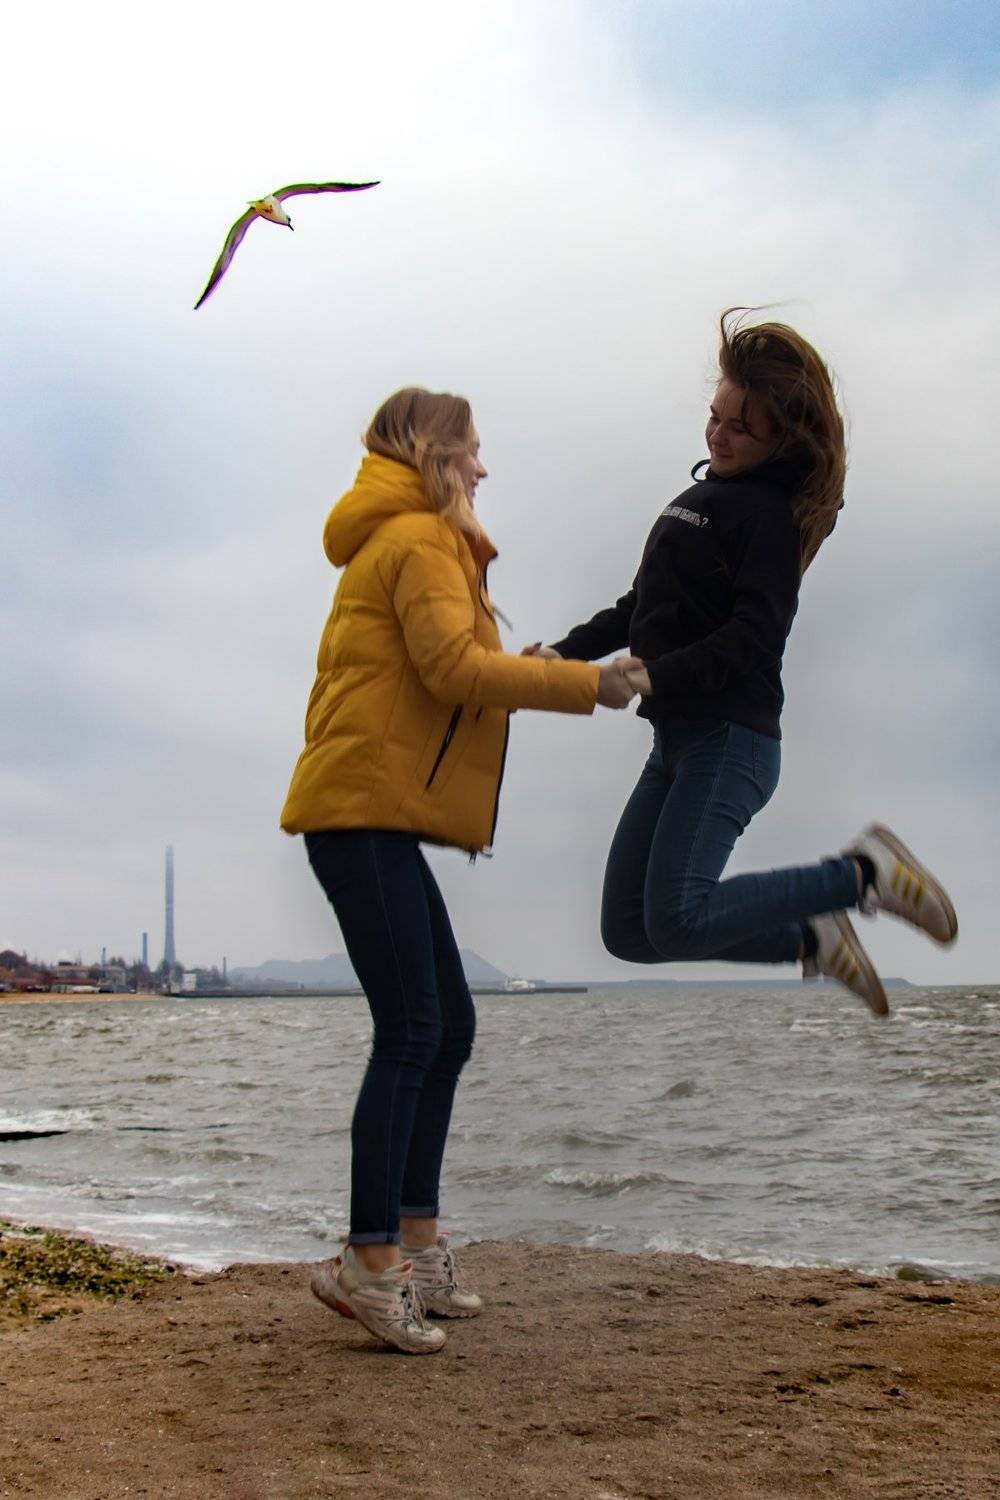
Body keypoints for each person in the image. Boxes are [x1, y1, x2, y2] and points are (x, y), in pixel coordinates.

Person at [280, 387, 639, 1354]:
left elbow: (457, 666)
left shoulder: (420, 541)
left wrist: (540, 665)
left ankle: (415, 1243)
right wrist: (586, 684)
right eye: (473, 449)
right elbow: (453, 672)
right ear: (435, 452)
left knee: (449, 1024)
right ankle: (369, 1265)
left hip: (374, 817)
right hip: (357, 814)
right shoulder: (416, 539)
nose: (483, 466)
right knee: (412, 1030)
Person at [525, 310, 957, 1015]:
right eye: (715, 417)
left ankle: (863, 873)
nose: (718, 435)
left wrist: (654, 674)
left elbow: (755, 636)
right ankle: (811, 938)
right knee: (629, 930)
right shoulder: (696, 500)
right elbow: (638, 607)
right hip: (675, 743)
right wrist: (560, 656)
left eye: (740, 428)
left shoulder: (770, 521)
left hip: (731, 741)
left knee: (678, 916)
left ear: (780, 440)